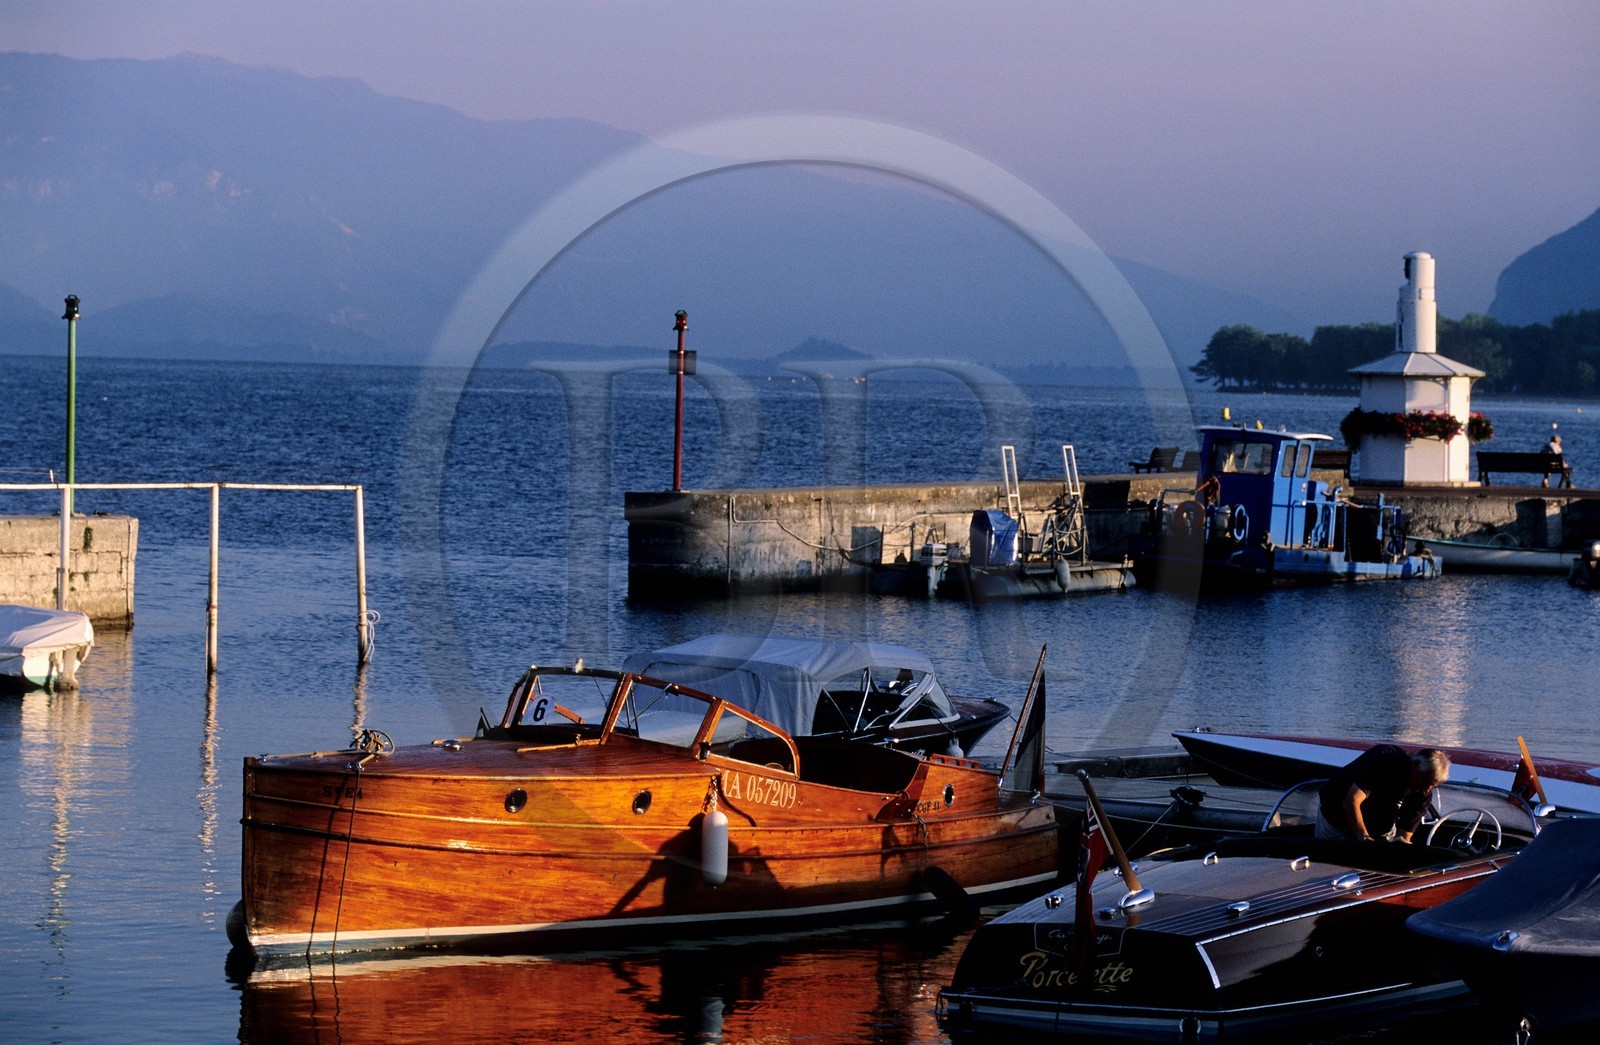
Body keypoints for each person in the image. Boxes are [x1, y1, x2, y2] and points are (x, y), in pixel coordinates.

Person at [1316, 745, 1450, 843]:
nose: (1427, 788)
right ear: (1415, 765)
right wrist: (1363, 837)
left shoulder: (1424, 792)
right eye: (1425, 780)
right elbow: (1351, 800)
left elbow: (1405, 835)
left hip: (1380, 824)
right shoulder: (1384, 760)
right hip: (1336, 815)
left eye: (1433, 784)